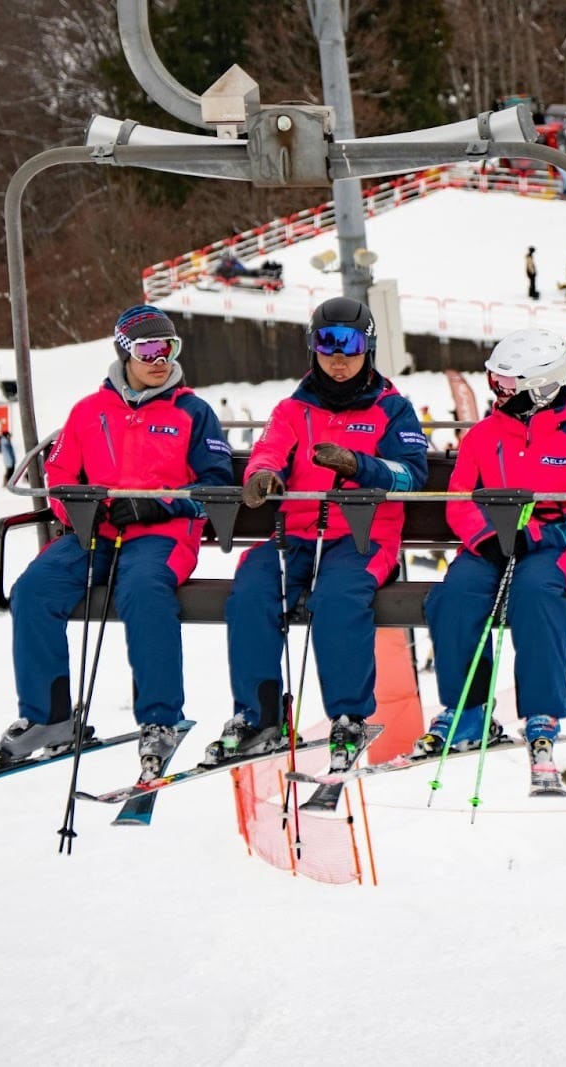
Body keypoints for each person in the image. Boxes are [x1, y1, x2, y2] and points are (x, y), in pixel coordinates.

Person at [0, 305, 233, 779]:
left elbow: (216, 486)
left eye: (169, 348)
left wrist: (158, 505)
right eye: (148, 349)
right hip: (92, 535)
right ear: (124, 352)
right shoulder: (89, 412)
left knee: (142, 591)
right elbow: (59, 476)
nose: (160, 359)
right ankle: (49, 716)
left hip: (163, 535)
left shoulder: (192, 412)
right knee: (34, 590)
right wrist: (81, 508)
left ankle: (160, 718)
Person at [214, 297, 428, 772]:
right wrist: (262, 477)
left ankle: (349, 714)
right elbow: (267, 451)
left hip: (362, 538)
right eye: (326, 343)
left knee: (337, 599)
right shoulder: (294, 410)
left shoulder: (392, 410)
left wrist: (359, 466)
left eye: (349, 344)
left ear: (367, 348)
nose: (338, 356)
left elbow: (413, 476)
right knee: (250, 588)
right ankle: (261, 716)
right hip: (296, 537)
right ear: (312, 347)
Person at [419, 327, 566, 778]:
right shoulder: (485, 436)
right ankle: (469, 710)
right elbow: (459, 497)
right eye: (494, 382)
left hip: (552, 548)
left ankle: (542, 711)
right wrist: (485, 537)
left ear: (540, 389)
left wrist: (543, 539)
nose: (497, 393)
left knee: (535, 593)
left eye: (506, 386)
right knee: (455, 594)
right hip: (492, 540)